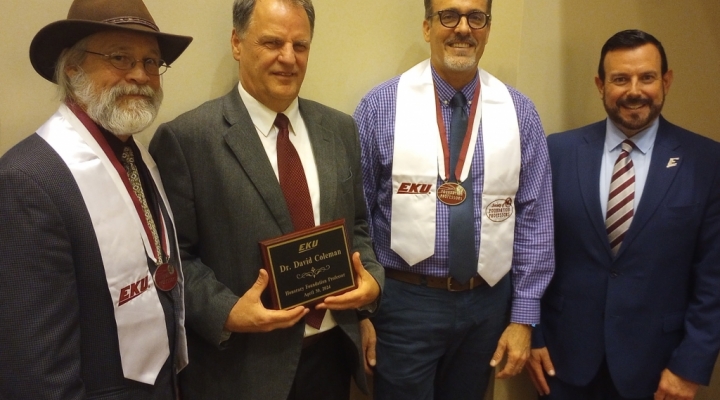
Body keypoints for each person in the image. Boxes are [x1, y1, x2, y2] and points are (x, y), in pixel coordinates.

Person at [148, 0, 384, 399]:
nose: (288, 59)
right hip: (243, 369)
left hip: (331, 354)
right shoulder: (188, 140)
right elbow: (172, 260)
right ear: (237, 43)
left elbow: (357, 227)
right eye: (272, 42)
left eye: (301, 46)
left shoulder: (340, 129)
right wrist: (226, 311)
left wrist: (371, 286)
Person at [353, 0, 555, 398]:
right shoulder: (380, 107)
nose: (463, 28)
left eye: (476, 17)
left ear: (488, 28)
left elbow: (535, 221)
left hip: (487, 304)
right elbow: (355, 215)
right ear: (428, 27)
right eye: (449, 15)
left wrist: (523, 318)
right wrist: (358, 313)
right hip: (403, 301)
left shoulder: (520, 113)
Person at [0, 0, 193, 399]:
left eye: (152, 62)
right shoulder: (28, 182)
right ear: (72, 69)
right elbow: (37, 373)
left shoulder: (135, 155)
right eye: (120, 57)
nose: (141, 75)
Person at [526, 29, 720, 400]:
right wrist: (530, 330)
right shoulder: (559, 151)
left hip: (659, 369)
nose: (634, 90)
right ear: (600, 84)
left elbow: (714, 279)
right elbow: (531, 249)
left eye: (647, 77)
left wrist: (690, 366)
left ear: (666, 81)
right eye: (620, 78)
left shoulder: (707, 163)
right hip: (562, 364)